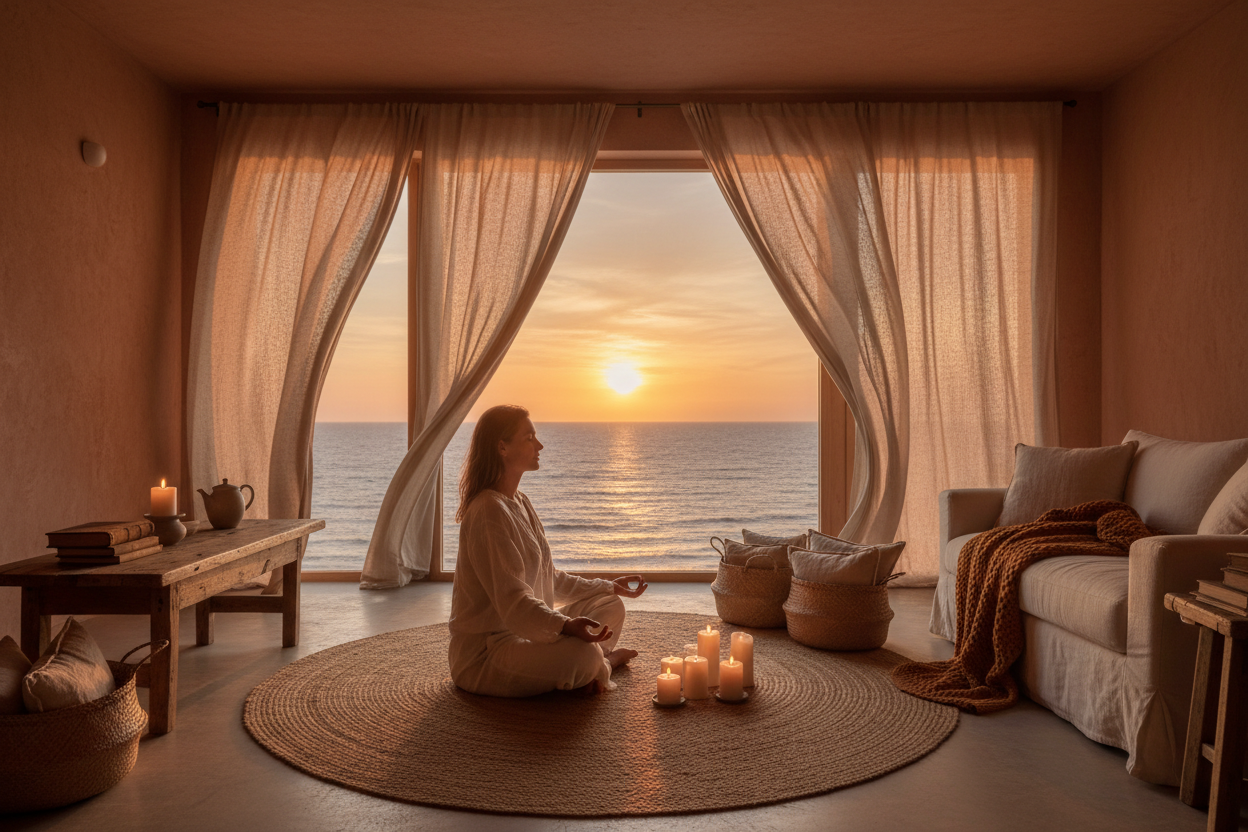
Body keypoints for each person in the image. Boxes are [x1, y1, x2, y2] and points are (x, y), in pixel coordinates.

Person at [448, 405, 648, 697]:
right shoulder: (487, 511)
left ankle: (588, 668)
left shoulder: (519, 501)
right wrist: (565, 626)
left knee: (610, 605)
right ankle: (602, 664)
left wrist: (607, 586)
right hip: (486, 654)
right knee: (585, 655)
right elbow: (514, 604)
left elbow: (549, 578)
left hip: (526, 632)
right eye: (529, 438)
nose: (539, 445)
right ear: (501, 447)